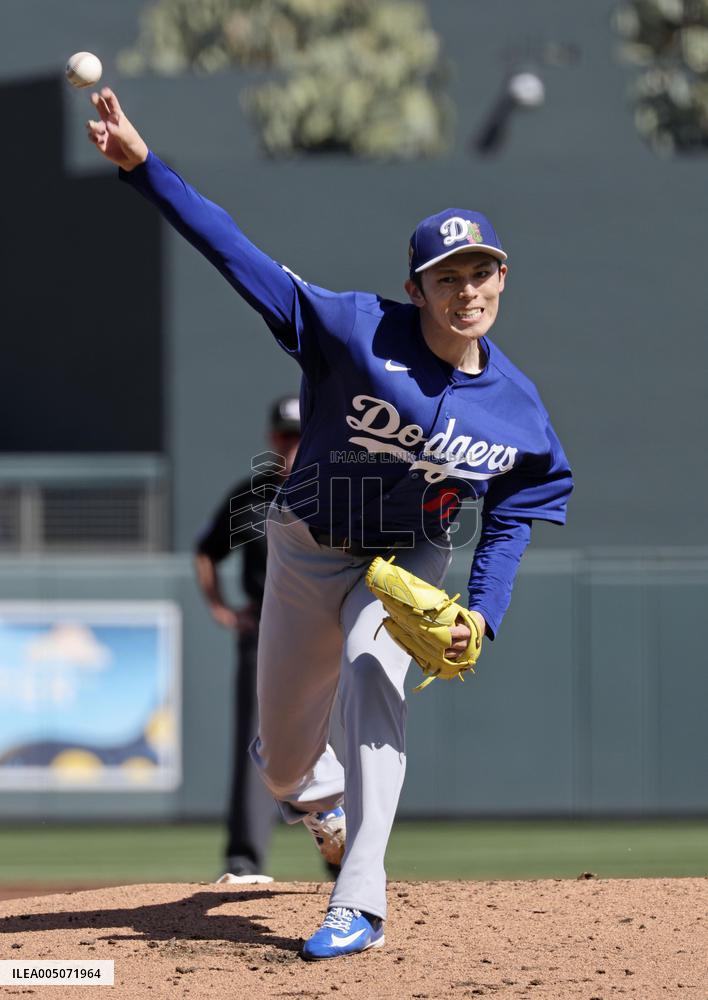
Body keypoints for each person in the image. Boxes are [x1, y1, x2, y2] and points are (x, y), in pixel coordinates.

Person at [86, 88, 573, 961]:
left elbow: (520, 507)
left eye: (481, 273)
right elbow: (238, 255)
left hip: (408, 560)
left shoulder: (519, 411)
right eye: (447, 277)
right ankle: (321, 806)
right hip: (307, 546)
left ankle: (361, 902)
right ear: (414, 287)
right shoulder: (352, 330)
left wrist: (483, 612)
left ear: (503, 279)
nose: (467, 291)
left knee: (371, 671)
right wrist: (143, 168)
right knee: (281, 765)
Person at [194, 396, 301, 883]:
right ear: (271, 439)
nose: (293, 445)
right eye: (285, 436)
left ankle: (346, 856)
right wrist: (219, 606)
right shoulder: (251, 497)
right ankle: (244, 859)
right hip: (263, 628)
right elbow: (206, 551)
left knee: (344, 740)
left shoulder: (341, 491)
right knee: (255, 740)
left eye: (301, 435)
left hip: (325, 629)